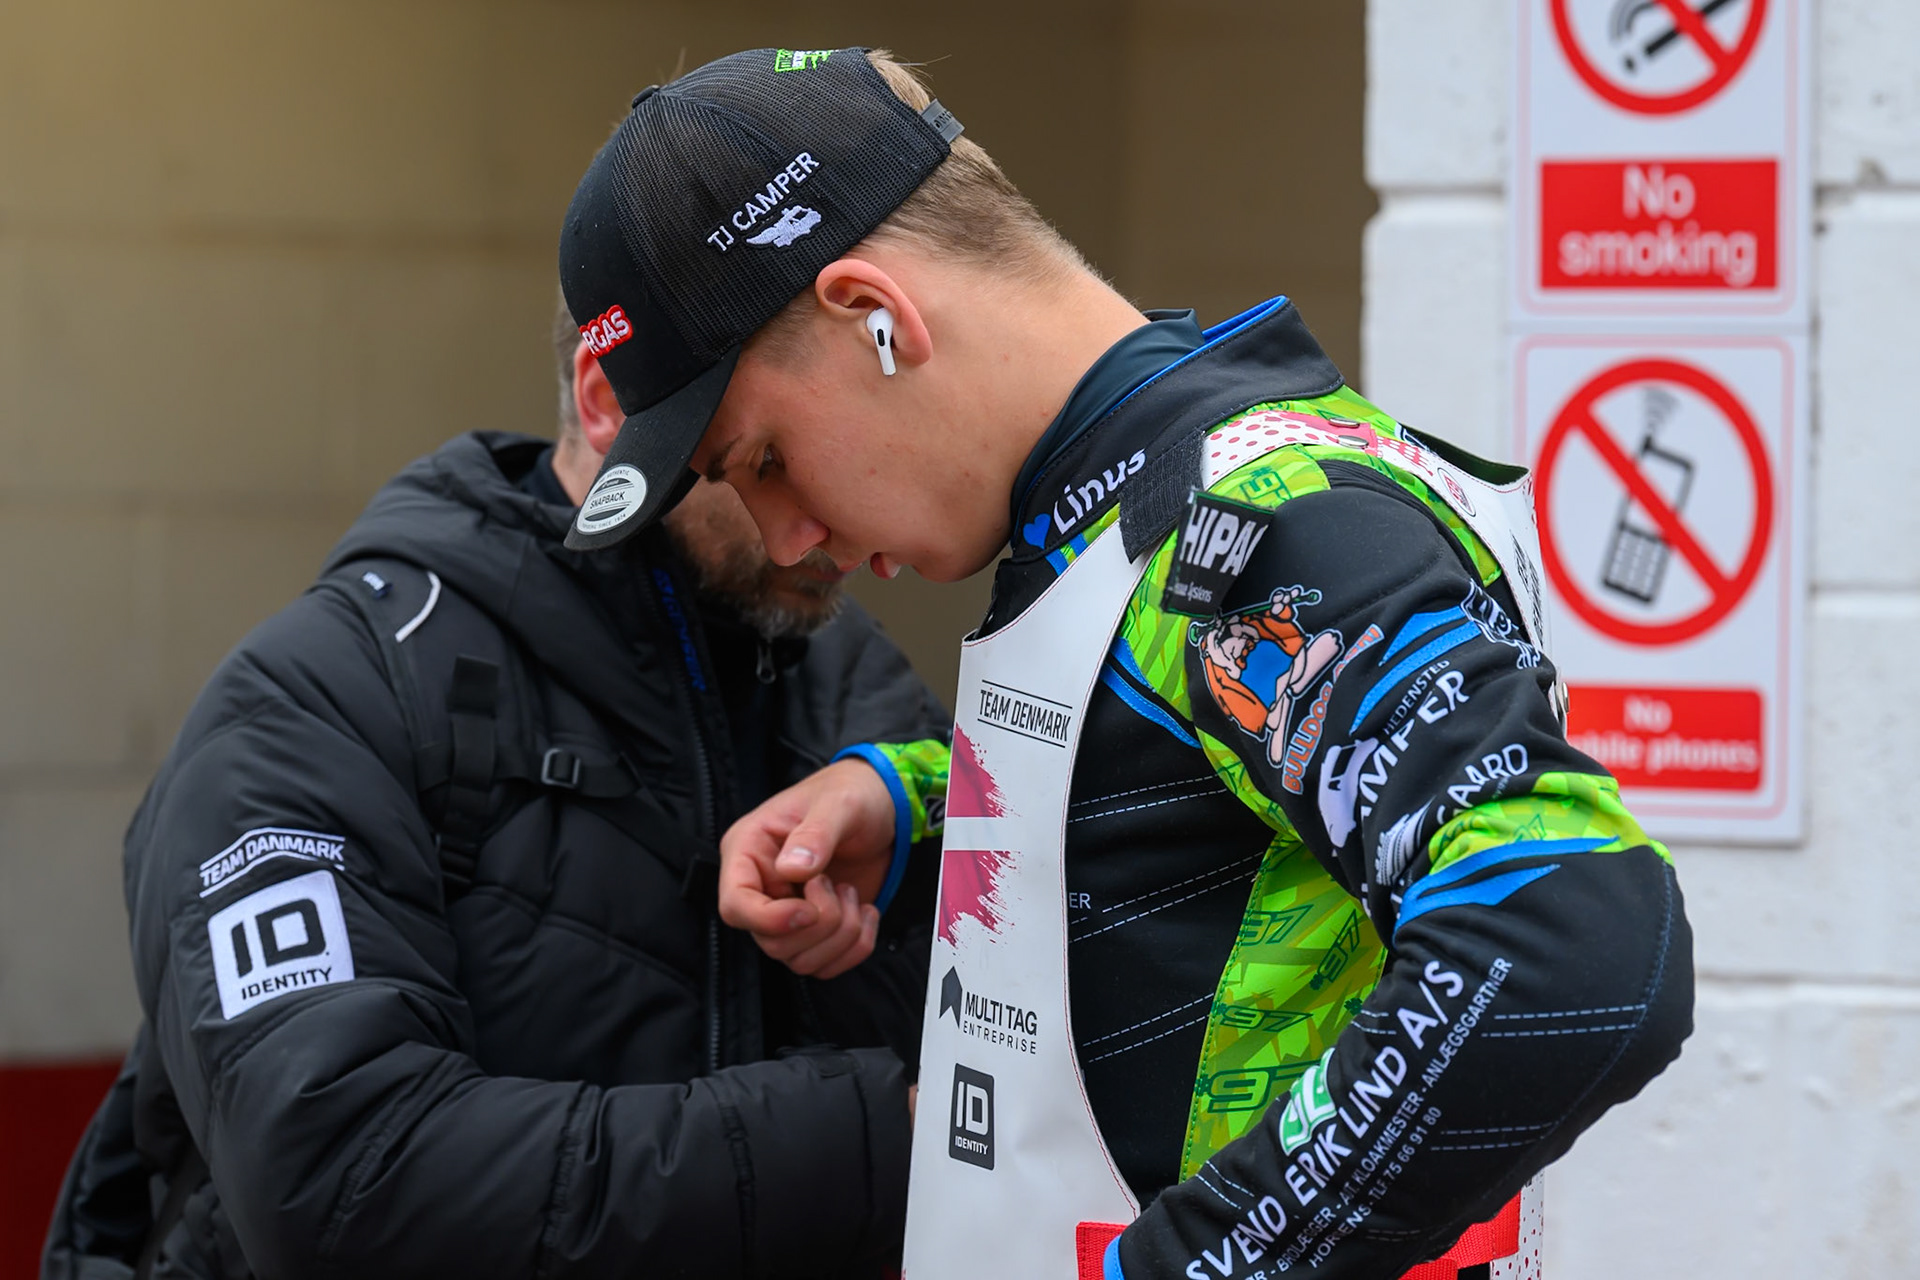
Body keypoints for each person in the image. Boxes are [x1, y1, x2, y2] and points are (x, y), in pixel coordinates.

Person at [552, 46, 1696, 1280]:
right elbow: (1220, 821)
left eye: (762, 456)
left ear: (874, 316)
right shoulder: (1134, 514)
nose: (788, 535)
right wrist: (922, 806)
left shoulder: (1248, 525)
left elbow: (1567, 933)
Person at [40, 294, 947, 1280]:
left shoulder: (859, 685)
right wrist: (888, 1140)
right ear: (612, 401)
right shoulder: (318, 698)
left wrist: (911, 811)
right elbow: (341, 1184)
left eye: (878, 439)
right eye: (783, 448)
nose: (855, 511)